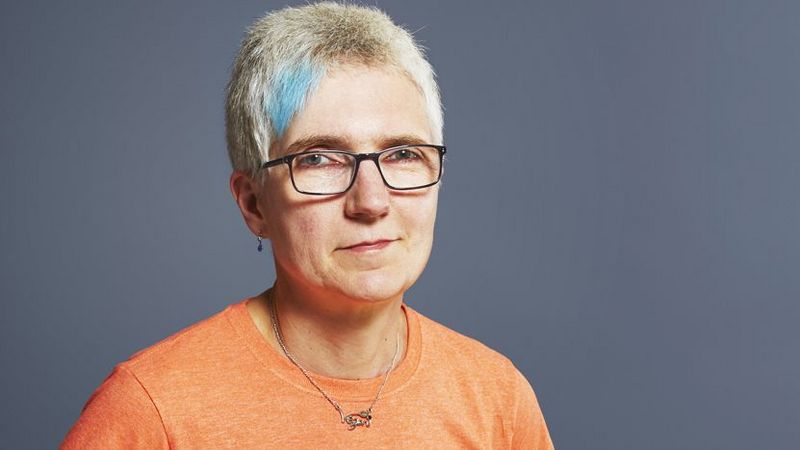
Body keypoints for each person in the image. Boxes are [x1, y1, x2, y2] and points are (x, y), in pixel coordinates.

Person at [61, 2, 554, 448]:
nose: (371, 201)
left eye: (403, 153)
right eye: (318, 159)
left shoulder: (498, 399)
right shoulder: (152, 411)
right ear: (254, 203)